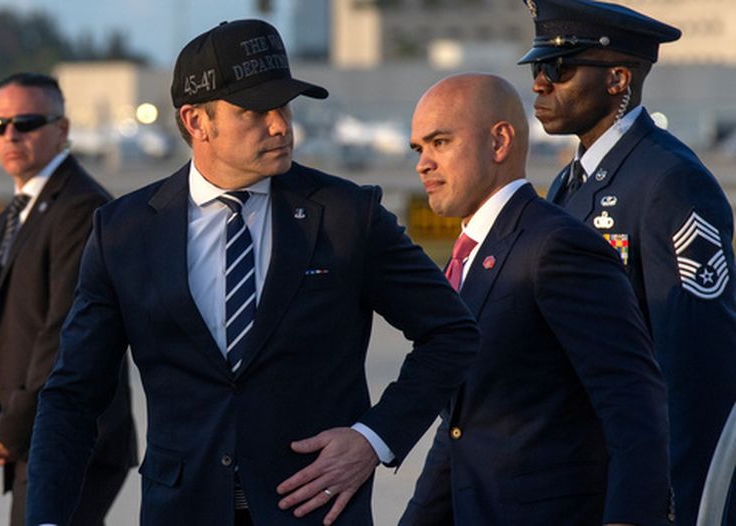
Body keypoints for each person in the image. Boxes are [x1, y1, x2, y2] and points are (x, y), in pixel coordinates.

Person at [25, 19, 479, 526]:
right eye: (255, 111)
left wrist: (373, 439)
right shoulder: (124, 232)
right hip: (182, 510)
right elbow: (72, 396)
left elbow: (452, 332)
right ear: (197, 122)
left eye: (284, 106)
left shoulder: (348, 214)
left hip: (317, 511)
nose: (281, 125)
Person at [399, 73, 673, 525]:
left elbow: (633, 402)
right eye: (418, 149)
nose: (423, 164)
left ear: (500, 142)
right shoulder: (471, 254)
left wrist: (629, 518)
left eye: (440, 142)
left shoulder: (555, 245)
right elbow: (462, 427)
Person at [518, 1, 736, 522]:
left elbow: (696, 368)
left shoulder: (669, 182)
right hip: (588, 469)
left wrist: (671, 503)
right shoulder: (568, 184)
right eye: (537, 69)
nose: (539, 85)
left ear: (618, 78)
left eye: (557, 69)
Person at [0, 73, 137, 526]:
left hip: (70, 440)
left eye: (26, 122)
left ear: (63, 129)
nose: (10, 135)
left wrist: (6, 429)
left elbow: (64, 338)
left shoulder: (82, 209)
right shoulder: (14, 213)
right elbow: (0, 321)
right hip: (28, 432)